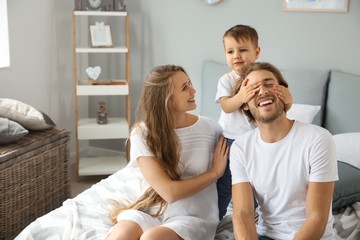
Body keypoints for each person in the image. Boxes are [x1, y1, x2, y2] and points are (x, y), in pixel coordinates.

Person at [105, 65, 229, 240]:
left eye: (190, 84)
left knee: (151, 238)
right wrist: (214, 173)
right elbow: (169, 193)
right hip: (154, 209)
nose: (193, 90)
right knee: (121, 236)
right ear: (167, 99)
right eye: (184, 88)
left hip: (193, 215)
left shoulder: (211, 129)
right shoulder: (142, 133)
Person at [230, 62, 338, 240]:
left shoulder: (318, 139)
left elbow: (316, 218)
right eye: (253, 89)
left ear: (284, 92)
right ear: (245, 104)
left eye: (269, 83)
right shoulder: (241, 148)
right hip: (266, 235)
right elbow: (243, 214)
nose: (263, 91)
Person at [215, 24, 293, 220]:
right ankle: (215, 217)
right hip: (231, 141)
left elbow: (280, 107)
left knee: (257, 181)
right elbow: (226, 106)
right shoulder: (227, 80)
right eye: (230, 51)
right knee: (224, 185)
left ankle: (257, 217)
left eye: (242, 50)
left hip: (256, 141)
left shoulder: (264, 77)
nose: (236, 56)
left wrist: (288, 99)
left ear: (256, 52)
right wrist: (241, 96)